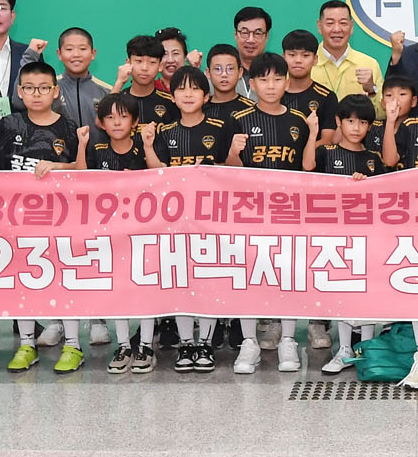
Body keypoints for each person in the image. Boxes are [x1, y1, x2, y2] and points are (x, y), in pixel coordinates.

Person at [0, 61, 79, 373]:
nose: (36, 93)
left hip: (59, 219)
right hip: (13, 220)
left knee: (64, 279)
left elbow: (85, 167)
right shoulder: (9, 123)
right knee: (23, 280)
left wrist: (59, 166)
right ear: (19, 92)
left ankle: (73, 345)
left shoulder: (68, 127)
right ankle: (27, 344)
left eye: (44, 88)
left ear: (55, 91)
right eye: (29, 88)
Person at [154, 66, 241, 372]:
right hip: (175, 221)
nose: (188, 94)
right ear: (172, 97)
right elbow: (156, 174)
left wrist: (229, 157)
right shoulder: (165, 131)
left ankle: (205, 342)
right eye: (181, 89)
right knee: (180, 279)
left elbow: (235, 171)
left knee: (208, 279)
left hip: (212, 219)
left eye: (195, 89)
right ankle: (186, 343)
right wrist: (149, 146)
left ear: (206, 96)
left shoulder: (221, 126)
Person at [227, 52, 309, 374]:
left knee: (288, 274)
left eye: (277, 79)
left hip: (289, 212)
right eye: (263, 79)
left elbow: (307, 169)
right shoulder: (238, 120)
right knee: (248, 275)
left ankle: (288, 339)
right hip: (248, 213)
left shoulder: (299, 122)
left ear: (287, 82)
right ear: (252, 83)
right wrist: (233, 152)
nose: (271, 85)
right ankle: (249, 342)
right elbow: (227, 171)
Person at [75, 93, 163, 374]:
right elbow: (81, 178)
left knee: (145, 290)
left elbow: (162, 175)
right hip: (110, 235)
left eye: (123, 117)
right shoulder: (97, 148)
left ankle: (146, 346)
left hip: (145, 234)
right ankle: (124, 345)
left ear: (135, 121)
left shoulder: (144, 145)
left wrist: (148, 146)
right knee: (118, 290)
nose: (116, 122)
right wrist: (81, 146)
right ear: (100, 122)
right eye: (110, 117)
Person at [306, 95, 386, 374]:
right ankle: (344, 349)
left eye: (362, 122)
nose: (356, 127)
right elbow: (307, 168)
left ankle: (366, 349)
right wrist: (313, 134)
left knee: (366, 293)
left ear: (369, 126)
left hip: (367, 237)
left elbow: (384, 195)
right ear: (339, 121)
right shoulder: (326, 152)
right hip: (334, 235)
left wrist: (366, 185)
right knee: (342, 291)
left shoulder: (373, 159)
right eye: (350, 121)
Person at [311, 0, 384, 112]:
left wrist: (371, 90)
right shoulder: (305, 64)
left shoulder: (369, 64)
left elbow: (383, 114)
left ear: (351, 26)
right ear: (319, 26)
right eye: (330, 23)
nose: (337, 29)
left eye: (343, 23)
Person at [113, 35, 181, 134]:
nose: (144, 68)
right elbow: (102, 121)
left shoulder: (171, 102)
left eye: (152, 62)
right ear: (128, 63)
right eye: (139, 61)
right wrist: (119, 82)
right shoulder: (118, 99)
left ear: (160, 66)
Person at [281, 30, 339, 147]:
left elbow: (327, 140)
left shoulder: (327, 97)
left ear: (315, 59)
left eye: (305, 55)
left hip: (312, 158)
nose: (298, 60)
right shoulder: (273, 93)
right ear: (283, 57)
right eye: (292, 55)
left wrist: (299, 154)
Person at [53, 27, 112, 130]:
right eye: (69, 49)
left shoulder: (107, 91)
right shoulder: (49, 88)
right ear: (59, 54)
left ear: (93, 53)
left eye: (83, 49)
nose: (76, 54)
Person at [203, 43, 254, 121]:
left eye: (230, 69)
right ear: (208, 73)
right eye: (218, 69)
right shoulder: (200, 109)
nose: (224, 74)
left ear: (240, 72)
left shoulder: (252, 108)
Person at [232, 6, 273, 101]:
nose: (250, 40)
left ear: (267, 36)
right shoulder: (221, 73)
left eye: (257, 33)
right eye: (244, 32)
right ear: (235, 34)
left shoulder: (278, 73)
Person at [153, 26, 195, 91]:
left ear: (185, 57)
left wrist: (195, 69)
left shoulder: (198, 88)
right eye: (164, 54)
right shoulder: (149, 89)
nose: (170, 60)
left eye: (175, 53)